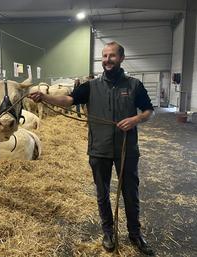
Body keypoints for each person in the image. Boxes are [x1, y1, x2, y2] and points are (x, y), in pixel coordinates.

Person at [29, 41, 155, 256]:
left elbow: (149, 110)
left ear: (121, 58)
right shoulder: (90, 86)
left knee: (131, 193)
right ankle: (108, 232)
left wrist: (135, 119)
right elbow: (68, 100)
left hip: (127, 149)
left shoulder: (134, 85)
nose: (107, 60)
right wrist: (45, 97)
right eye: (104, 56)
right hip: (99, 149)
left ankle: (135, 234)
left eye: (112, 56)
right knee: (102, 193)